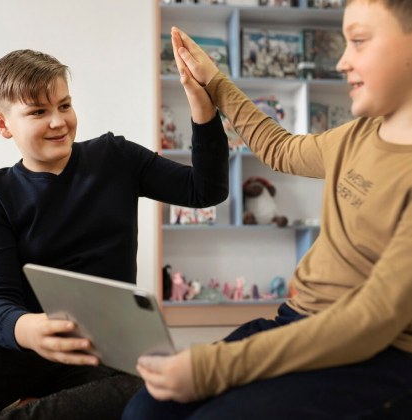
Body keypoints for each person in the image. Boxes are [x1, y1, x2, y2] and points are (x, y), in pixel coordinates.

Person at [0, 47, 229, 420]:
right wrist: (28, 328)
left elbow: (204, 189)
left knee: (163, 390)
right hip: (16, 335)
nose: (58, 121)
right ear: (3, 124)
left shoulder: (117, 157)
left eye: (64, 105)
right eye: (38, 112)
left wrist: (202, 107)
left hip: (102, 344)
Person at [123, 1, 412, 418]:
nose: (343, 61)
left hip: (376, 354)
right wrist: (215, 83)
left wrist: (209, 367)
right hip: (298, 321)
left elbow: (372, 320)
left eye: (360, 42)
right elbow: (279, 148)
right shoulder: (361, 134)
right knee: (146, 410)